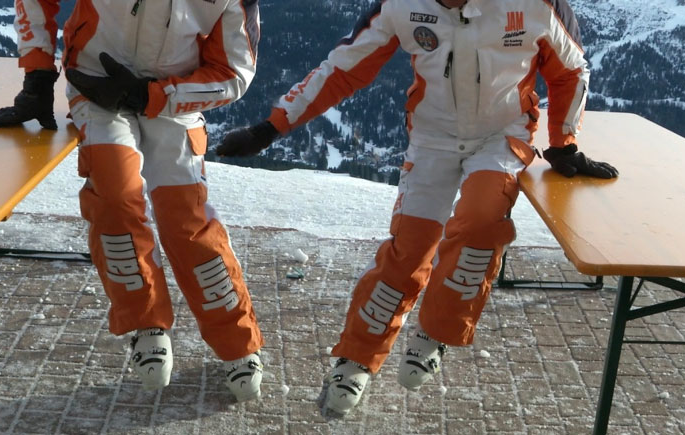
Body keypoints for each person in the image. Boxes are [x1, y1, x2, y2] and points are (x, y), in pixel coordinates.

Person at [216, 0, 617, 413]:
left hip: (502, 137)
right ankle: (356, 356)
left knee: (481, 223)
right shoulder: (402, 5)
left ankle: (435, 331)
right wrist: (272, 127)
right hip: (432, 137)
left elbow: (571, 69)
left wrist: (563, 143)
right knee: (408, 252)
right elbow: (342, 70)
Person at [0, 0, 267, 401]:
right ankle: (145, 322)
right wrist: (38, 75)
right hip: (97, 89)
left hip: (174, 98)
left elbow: (234, 73)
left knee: (188, 223)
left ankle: (238, 342)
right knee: (116, 200)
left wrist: (148, 95)